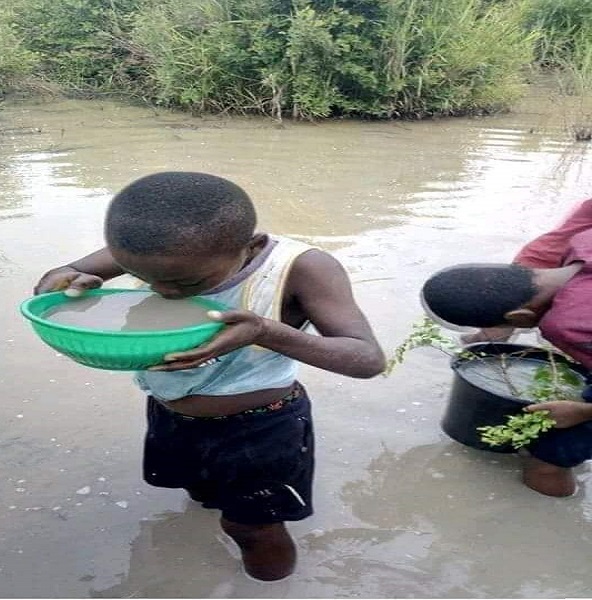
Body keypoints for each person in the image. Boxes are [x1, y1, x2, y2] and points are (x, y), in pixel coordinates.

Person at [33, 171, 386, 581]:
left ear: (249, 246)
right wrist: (64, 284)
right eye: (146, 280)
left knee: (250, 526)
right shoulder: (152, 250)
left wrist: (264, 331)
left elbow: (366, 359)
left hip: (261, 428)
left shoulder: (302, 269)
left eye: (187, 284)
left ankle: (268, 587)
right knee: (201, 494)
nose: (163, 292)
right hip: (171, 413)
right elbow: (64, 273)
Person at [420, 219, 592, 498]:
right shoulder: (583, 241)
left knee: (546, 460)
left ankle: (548, 530)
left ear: (520, 318)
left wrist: (582, 412)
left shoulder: (567, 325)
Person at [461, 198, 592, 344]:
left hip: (552, 256)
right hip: (547, 257)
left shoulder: (563, 325)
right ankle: (488, 342)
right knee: (505, 309)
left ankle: (487, 343)